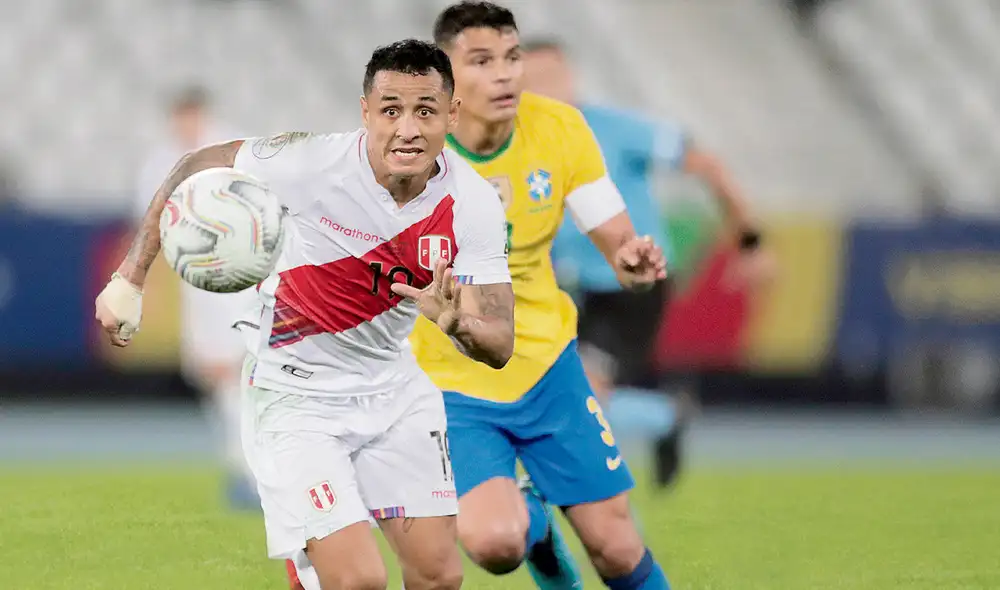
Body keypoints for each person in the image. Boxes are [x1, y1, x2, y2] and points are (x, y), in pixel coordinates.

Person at [96, 39, 515, 590]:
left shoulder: (473, 202)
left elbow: (500, 341)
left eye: (425, 110)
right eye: (390, 110)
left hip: (396, 392)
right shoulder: (308, 162)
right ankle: (308, 564)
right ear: (365, 111)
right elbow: (196, 165)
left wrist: (457, 323)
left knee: (438, 576)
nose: (407, 128)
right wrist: (129, 277)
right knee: (359, 581)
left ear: (451, 115)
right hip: (297, 398)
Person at [411, 3, 671, 590]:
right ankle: (537, 533)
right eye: (481, 61)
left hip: (548, 365)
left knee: (617, 549)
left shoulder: (559, 128)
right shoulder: (407, 151)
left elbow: (618, 239)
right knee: (495, 543)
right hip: (449, 383)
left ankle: (545, 525)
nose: (505, 75)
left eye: (512, 57)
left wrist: (632, 263)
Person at [521, 39, 775, 486]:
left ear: (571, 78)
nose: (542, 89)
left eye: (550, 78)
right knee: (545, 390)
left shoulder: (613, 129)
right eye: (531, 80)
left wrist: (750, 242)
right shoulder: (519, 141)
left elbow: (707, 165)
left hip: (629, 285)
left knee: (581, 395)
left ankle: (595, 505)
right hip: (565, 286)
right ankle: (662, 416)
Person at [133, 86, 260, 509]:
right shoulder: (161, 162)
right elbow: (149, 220)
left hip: (234, 273)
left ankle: (250, 469)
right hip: (194, 282)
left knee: (237, 372)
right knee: (214, 376)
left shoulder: (231, 147)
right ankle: (243, 466)